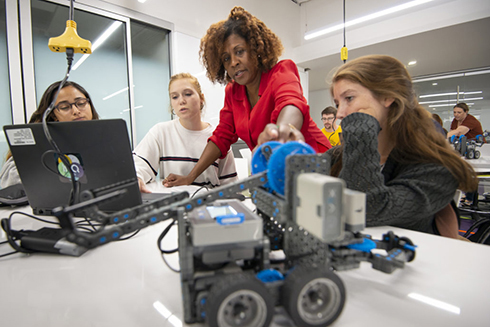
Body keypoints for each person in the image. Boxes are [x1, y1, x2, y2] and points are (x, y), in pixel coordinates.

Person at [163, 6, 330, 187]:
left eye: (240, 51)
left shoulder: (281, 72)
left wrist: (281, 133)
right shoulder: (232, 92)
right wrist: (190, 176)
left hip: (316, 164)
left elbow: (290, 104)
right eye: (226, 58)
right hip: (278, 172)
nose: (234, 62)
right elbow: (222, 137)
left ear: (256, 49)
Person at [329, 55, 477, 236]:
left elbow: (365, 210)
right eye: (337, 104)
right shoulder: (340, 155)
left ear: (388, 96)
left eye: (349, 98)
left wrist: (360, 128)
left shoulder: (437, 169)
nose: (340, 114)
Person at [133, 73, 238, 193]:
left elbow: (231, 186)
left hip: (208, 205)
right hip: (173, 205)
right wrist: (138, 178)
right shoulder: (160, 132)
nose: (181, 101)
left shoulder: (219, 139)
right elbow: (139, 165)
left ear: (201, 99)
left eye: (188, 94)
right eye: (174, 97)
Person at [0, 81, 99, 189]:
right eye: (65, 107)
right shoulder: (41, 140)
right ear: (53, 114)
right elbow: (9, 181)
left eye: (81, 103)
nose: (76, 111)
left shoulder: (107, 138)